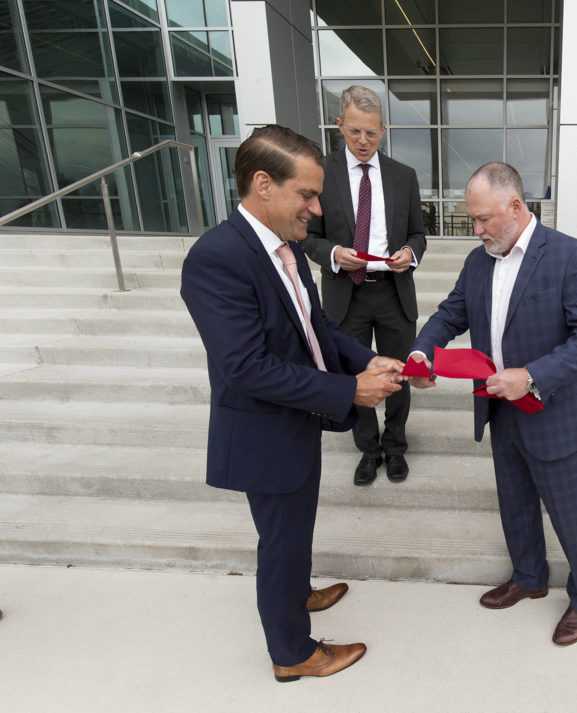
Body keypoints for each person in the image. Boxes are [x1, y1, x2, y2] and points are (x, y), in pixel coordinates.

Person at [180, 124, 405, 681]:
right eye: (306, 194)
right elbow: (246, 367)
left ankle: (294, 595)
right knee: (281, 540)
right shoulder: (217, 257)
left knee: (294, 530)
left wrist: (364, 360)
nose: (315, 208)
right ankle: (292, 653)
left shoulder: (287, 248)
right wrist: (349, 391)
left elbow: (317, 325)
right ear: (263, 184)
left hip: (294, 420)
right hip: (262, 431)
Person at [408, 163, 577, 646]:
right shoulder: (480, 260)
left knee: (571, 513)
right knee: (515, 503)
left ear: (516, 207)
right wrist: (421, 351)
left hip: (554, 412)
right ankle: (529, 577)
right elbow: (450, 313)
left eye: (482, 219)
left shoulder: (568, 255)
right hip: (500, 409)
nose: (476, 230)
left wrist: (533, 376)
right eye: (472, 220)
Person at [302, 85, 427, 486]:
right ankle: (368, 451)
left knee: (398, 374)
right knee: (355, 376)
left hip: (393, 291)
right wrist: (335, 253)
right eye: (355, 131)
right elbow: (306, 236)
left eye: (371, 133)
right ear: (340, 125)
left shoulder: (403, 177)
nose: (363, 141)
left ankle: (395, 447)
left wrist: (409, 252)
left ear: (383, 131)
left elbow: (419, 234)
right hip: (345, 293)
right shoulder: (321, 174)